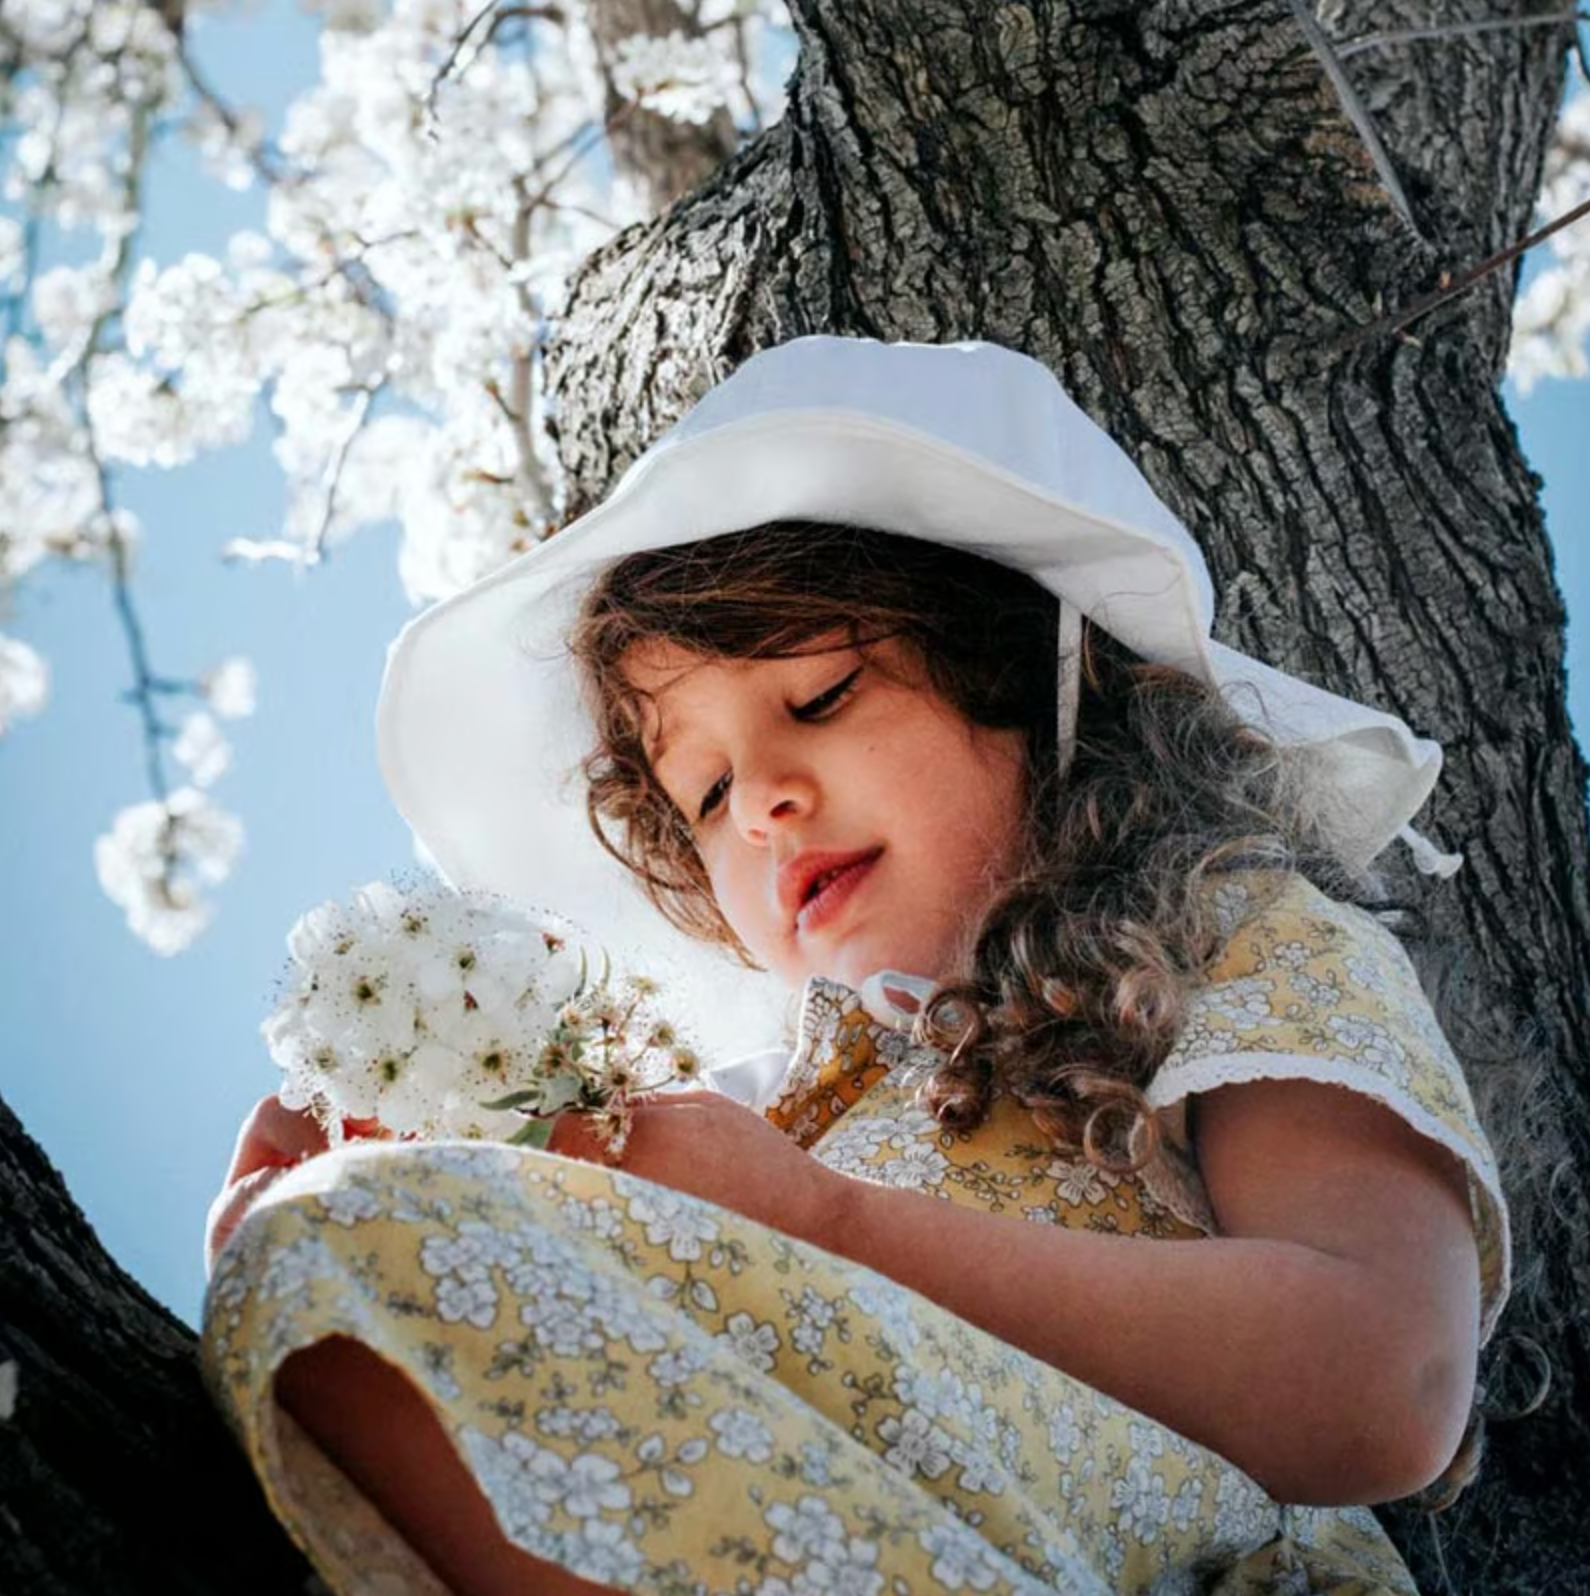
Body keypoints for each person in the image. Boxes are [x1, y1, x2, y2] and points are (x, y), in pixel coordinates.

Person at [203, 337, 1509, 1596]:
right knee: (342, 1260)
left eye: (821, 699)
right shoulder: (745, 1106)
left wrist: (821, 1223)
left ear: (1020, 680)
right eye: (702, 795)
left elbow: (1381, 1385)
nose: (759, 802)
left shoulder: (1227, 937)